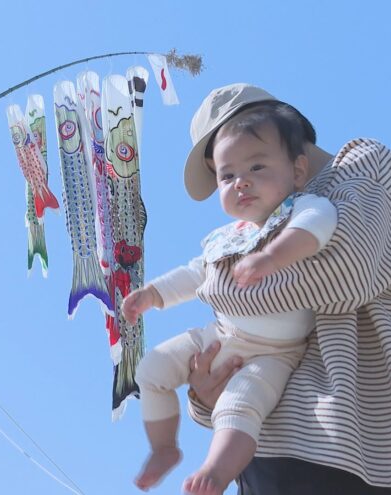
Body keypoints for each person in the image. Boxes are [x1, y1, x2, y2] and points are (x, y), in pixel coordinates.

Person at [184, 83, 391, 494]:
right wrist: (207, 392)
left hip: (377, 450)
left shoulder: (361, 166)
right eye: (224, 172)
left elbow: (344, 272)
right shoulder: (248, 234)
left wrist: (219, 285)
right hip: (273, 454)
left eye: (250, 158)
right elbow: (244, 338)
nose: (237, 183)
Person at [122, 102, 338, 494]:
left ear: (298, 170)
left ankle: (217, 472)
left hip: (275, 353)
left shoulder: (302, 209)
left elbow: (317, 226)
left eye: (257, 167)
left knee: (238, 405)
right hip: (220, 335)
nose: (241, 181)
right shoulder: (228, 237)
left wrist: (273, 255)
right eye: (227, 175)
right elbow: (195, 273)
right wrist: (153, 294)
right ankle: (164, 448)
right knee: (150, 370)